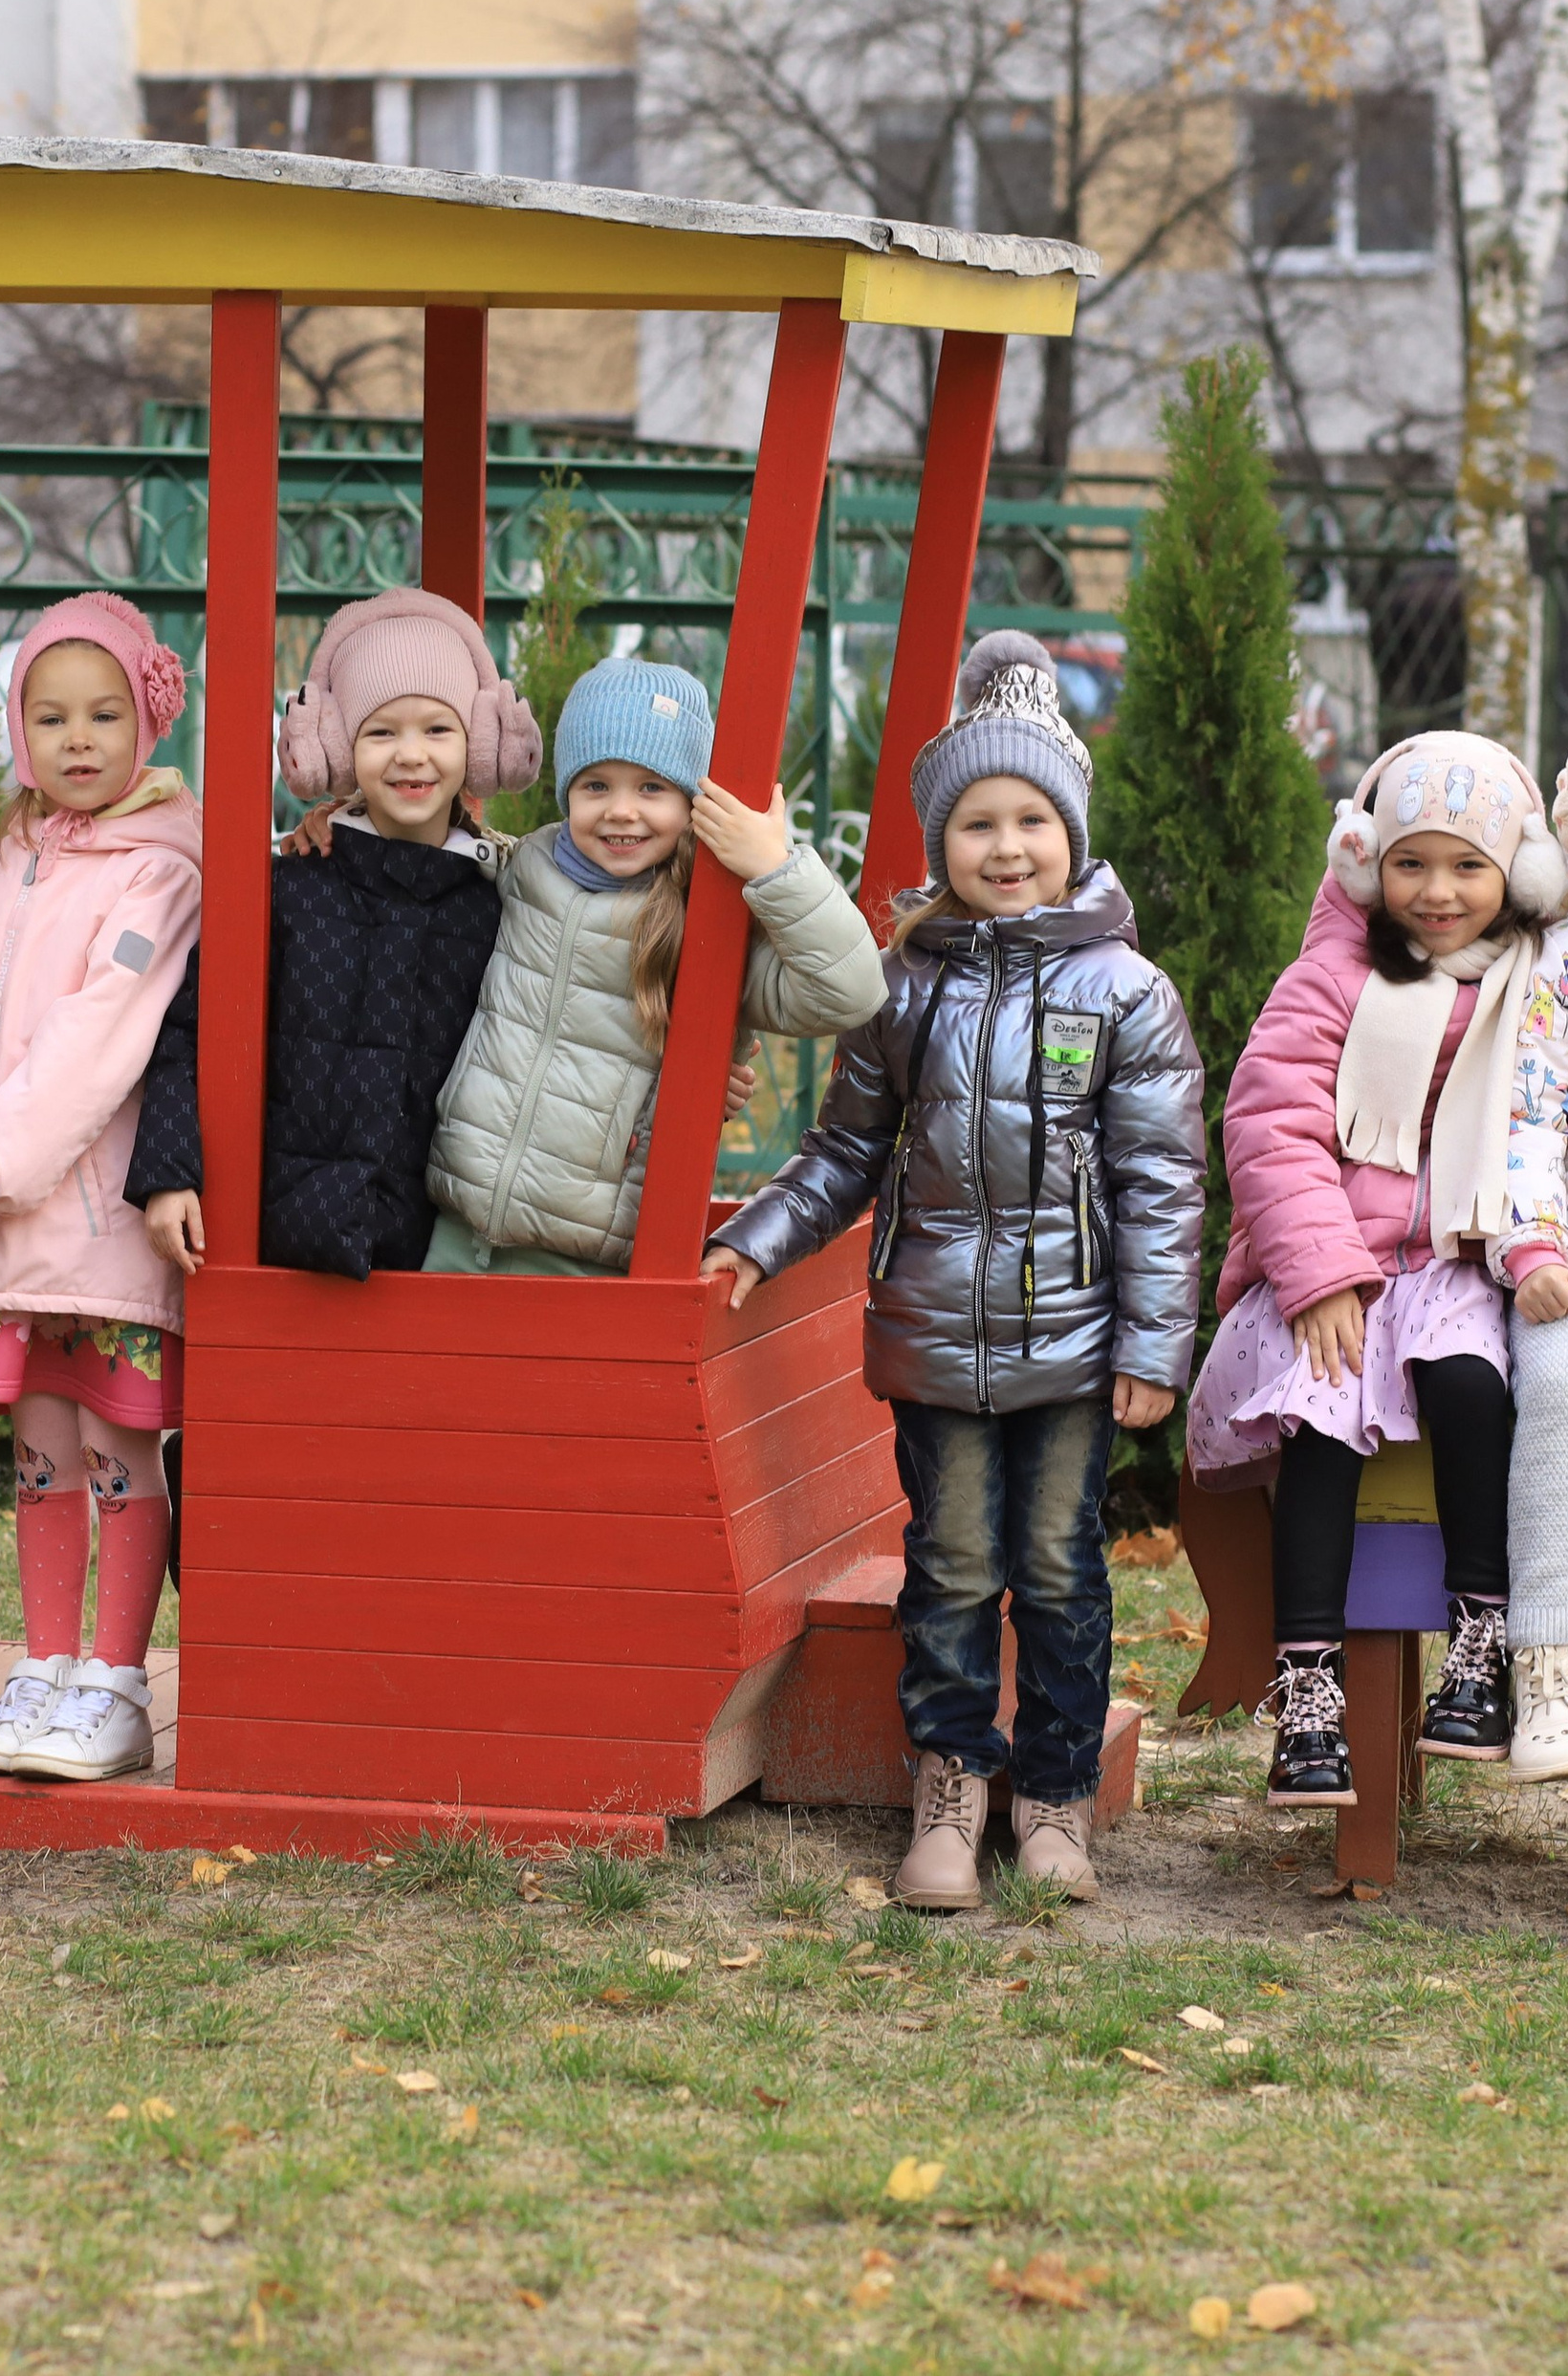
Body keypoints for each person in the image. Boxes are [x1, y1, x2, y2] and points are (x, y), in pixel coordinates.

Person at [704, 633, 1204, 1908]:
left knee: (1059, 1573)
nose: (1006, 846)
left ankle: (1051, 1801)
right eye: (977, 822)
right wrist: (756, 1238)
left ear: (1071, 832)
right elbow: (843, 1151)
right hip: (934, 1338)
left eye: (1031, 817)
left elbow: (1160, 1183)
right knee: (953, 1567)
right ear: (943, 843)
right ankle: (948, 1788)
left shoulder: (1128, 991)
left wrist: (1154, 1346)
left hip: (1079, 1347)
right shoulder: (901, 987)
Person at [1190, 730, 1564, 1806]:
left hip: (1452, 1262)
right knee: (1323, 1411)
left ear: (1513, 874)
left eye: (1466, 866)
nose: (1437, 893)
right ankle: (1306, 1693)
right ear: (1364, 861)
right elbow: (1271, 1121)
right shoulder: (1332, 978)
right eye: (1410, 863)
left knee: (1469, 1384)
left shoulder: (1523, 987)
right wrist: (1319, 1275)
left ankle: (1480, 1639)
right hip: (1339, 1267)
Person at [0, 593, 204, 1783]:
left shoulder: (158, 871)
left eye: (102, 713)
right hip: (6, 1227)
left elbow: (100, 1040)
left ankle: (119, 1681)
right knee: (36, 1448)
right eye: (50, 715)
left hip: (96, 1222)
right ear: (18, 729)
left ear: (143, 722)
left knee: (113, 1445)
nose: (77, 738)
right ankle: (42, 1670)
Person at [426, 651, 883, 1276]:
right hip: (453, 1231)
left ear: (693, 800)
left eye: (651, 788)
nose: (620, 810)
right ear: (566, 793)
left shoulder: (706, 923)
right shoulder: (519, 869)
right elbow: (408, 870)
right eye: (596, 786)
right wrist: (333, 820)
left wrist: (775, 867)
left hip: (583, 1259)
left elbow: (852, 991)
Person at [127, 585, 533, 1283]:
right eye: (381, 732)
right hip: (267, 1242)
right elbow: (191, 1030)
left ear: (481, 741)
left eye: (437, 729)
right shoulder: (287, 889)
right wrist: (168, 1173)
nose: (412, 756)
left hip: (439, 1256)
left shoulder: (499, 908)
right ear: (338, 748)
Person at [1475, 738, 1568, 1781]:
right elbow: (1524, 1113)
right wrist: (1530, 1243)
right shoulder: (1564, 956)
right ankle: (1548, 1663)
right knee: (1560, 1385)